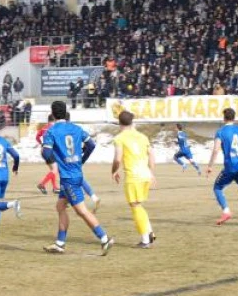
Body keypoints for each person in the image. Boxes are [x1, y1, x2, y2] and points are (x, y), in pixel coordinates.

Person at [42, 100, 112, 254]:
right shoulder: (76, 128)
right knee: (60, 206)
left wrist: (53, 163)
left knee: (82, 211)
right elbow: (91, 145)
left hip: (68, 178)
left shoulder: (52, 131)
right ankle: (60, 243)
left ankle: (104, 238)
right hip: (77, 174)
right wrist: (81, 160)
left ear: (53, 114)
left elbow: (46, 153)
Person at [112, 110, 157, 248]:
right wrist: (151, 172)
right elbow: (151, 154)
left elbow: (117, 159)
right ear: (132, 122)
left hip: (134, 176)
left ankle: (145, 240)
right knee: (139, 205)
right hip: (145, 175)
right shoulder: (142, 136)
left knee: (135, 206)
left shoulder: (119, 138)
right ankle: (149, 233)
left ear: (119, 123)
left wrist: (114, 171)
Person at [34, 117, 60, 194]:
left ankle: (55, 187)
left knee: (53, 170)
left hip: (44, 150)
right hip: (49, 150)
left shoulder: (44, 127)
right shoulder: (54, 128)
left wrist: (41, 144)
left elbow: (37, 137)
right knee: (55, 169)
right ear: (54, 119)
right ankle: (42, 184)